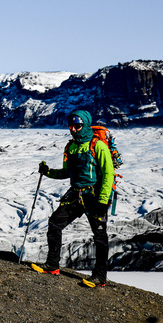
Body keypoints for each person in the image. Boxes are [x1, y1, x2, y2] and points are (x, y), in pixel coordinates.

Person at [37, 110, 114, 287]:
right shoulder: (70, 147)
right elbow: (67, 172)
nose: (73, 129)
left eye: (77, 126)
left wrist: (103, 201)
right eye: (71, 126)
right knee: (55, 223)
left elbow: (108, 173)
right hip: (76, 194)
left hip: (94, 196)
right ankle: (52, 265)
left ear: (85, 125)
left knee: (100, 236)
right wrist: (48, 172)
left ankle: (100, 277)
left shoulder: (98, 146)